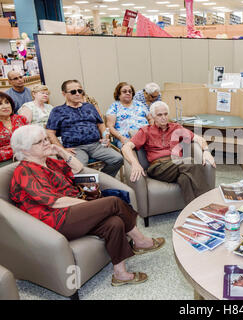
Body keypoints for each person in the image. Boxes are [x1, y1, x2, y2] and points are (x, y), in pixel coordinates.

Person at [9, 124, 165, 286]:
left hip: (71, 212)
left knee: (114, 222)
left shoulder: (49, 162)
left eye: (46, 139)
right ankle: (140, 241)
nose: (46, 143)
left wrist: (61, 151)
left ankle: (120, 274)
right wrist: (88, 205)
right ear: (25, 150)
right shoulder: (25, 171)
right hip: (55, 221)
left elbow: (78, 168)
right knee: (113, 203)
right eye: (40, 142)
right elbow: (55, 202)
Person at [121, 101, 216, 204]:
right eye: (160, 115)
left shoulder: (176, 128)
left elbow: (198, 138)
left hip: (178, 164)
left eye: (166, 114)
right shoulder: (146, 131)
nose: (164, 117)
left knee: (184, 179)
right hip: (158, 167)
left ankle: (194, 211)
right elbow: (126, 147)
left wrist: (206, 151)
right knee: (189, 162)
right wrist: (135, 163)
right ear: (153, 116)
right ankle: (209, 203)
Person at [46, 80, 124, 177]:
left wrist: (106, 137)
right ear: (64, 94)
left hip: (96, 145)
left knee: (118, 159)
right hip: (75, 148)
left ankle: (102, 180)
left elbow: (101, 124)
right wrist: (62, 150)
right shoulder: (57, 111)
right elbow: (50, 132)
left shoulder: (89, 107)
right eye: (73, 92)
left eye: (80, 91)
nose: (78, 94)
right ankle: (89, 187)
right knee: (79, 169)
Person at [106, 82, 152, 149]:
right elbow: (110, 126)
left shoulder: (140, 104)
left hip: (145, 136)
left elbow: (151, 119)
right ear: (119, 94)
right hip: (126, 139)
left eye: (130, 91)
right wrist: (121, 137)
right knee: (128, 148)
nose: (128, 93)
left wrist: (151, 131)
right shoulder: (114, 107)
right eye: (124, 91)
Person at [0, 92, 27, 167]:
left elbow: (33, 138)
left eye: (7, 102)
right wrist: (14, 152)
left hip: (27, 155)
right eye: (0, 104)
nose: (5, 106)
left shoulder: (21, 119)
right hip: (5, 161)